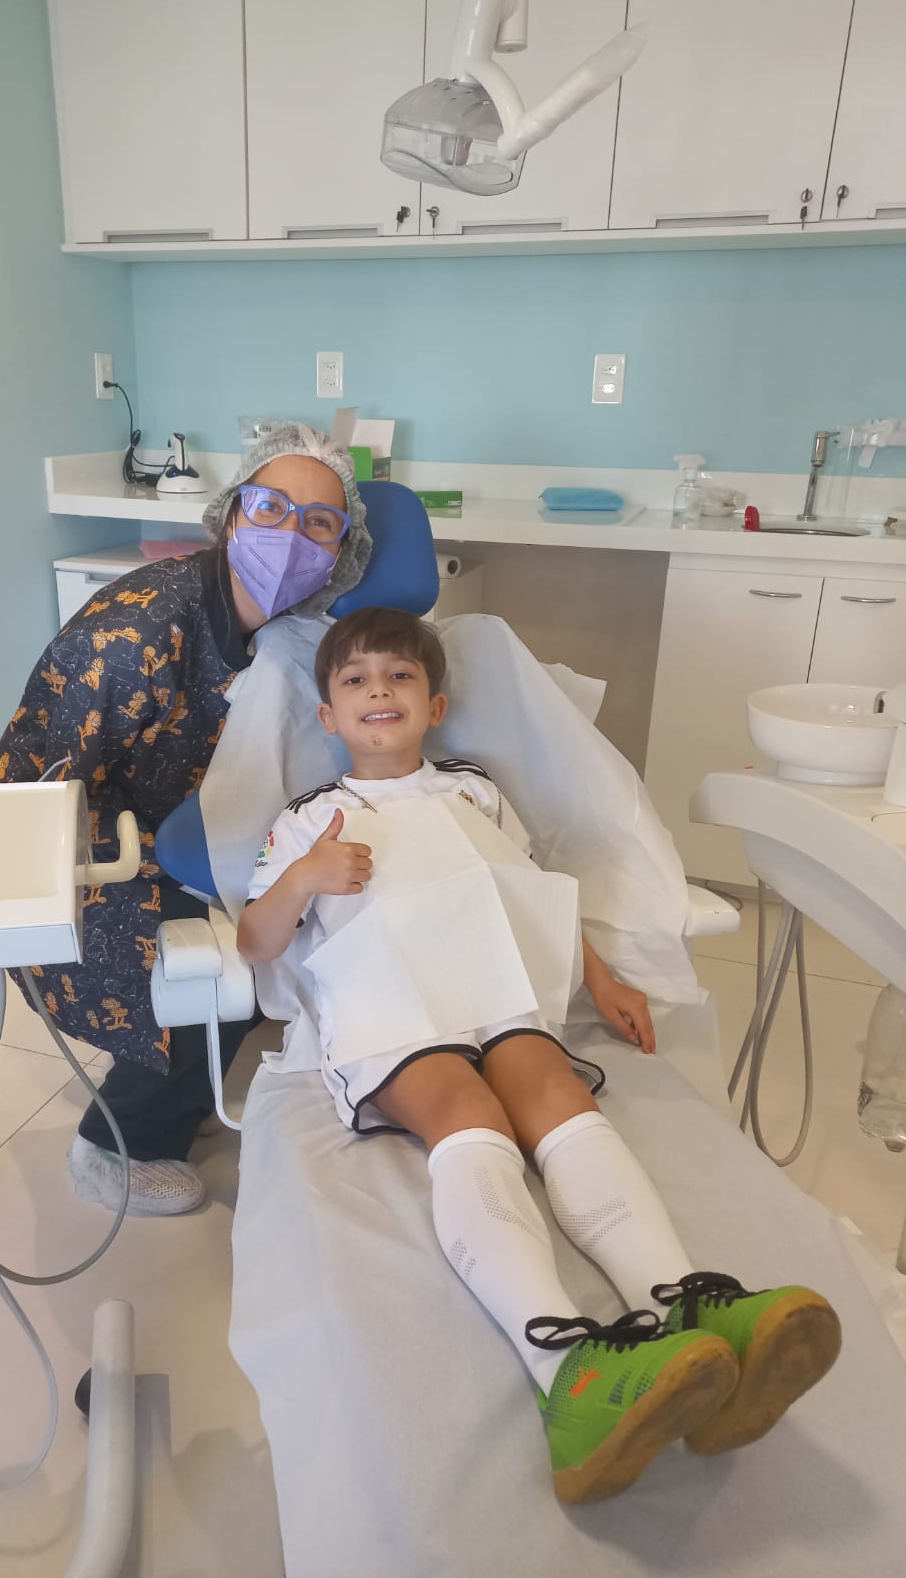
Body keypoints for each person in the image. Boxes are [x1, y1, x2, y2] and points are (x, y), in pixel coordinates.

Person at [237, 606, 842, 1504]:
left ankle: (686, 1305)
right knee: (469, 1113)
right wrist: (304, 879)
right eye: (356, 679)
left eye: (400, 675)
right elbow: (256, 943)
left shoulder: (475, 792)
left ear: (435, 705)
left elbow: (532, 895)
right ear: (328, 715)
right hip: (393, 1011)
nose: (379, 690)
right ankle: (569, 1372)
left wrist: (600, 978)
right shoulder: (307, 820)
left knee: (558, 1094)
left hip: (501, 993)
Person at [0, 425, 371, 1216]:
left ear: (343, 550)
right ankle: (118, 1144)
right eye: (270, 508)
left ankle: (176, 1083)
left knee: (288, 907)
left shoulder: (288, 625)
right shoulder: (139, 632)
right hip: (78, 853)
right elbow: (40, 801)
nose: (291, 536)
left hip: (185, 828)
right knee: (234, 947)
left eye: (318, 523)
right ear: (231, 515)